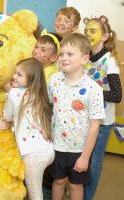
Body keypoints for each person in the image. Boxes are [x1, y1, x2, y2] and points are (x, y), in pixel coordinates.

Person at [48, 33, 105, 200]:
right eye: (62, 54)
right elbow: (48, 107)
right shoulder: (54, 80)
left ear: (84, 59)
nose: (64, 58)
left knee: (75, 185)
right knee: (58, 182)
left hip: (79, 150)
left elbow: (94, 127)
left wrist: (85, 157)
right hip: (57, 146)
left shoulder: (93, 89)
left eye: (70, 54)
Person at [2, 57, 55, 200]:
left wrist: (8, 92)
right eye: (15, 72)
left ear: (31, 78)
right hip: (48, 149)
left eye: (19, 74)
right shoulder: (41, 94)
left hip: (32, 155)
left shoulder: (14, 93)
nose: (14, 76)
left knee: (35, 195)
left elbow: (7, 116)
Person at [83, 15, 122, 200]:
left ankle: (87, 197)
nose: (87, 34)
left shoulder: (109, 61)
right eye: (86, 31)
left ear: (105, 36)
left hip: (102, 122)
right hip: (84, 119)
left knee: (94, 162)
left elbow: (116, 95)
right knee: (81, 160)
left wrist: (91, 91)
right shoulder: (85, 57)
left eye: (93, 31)